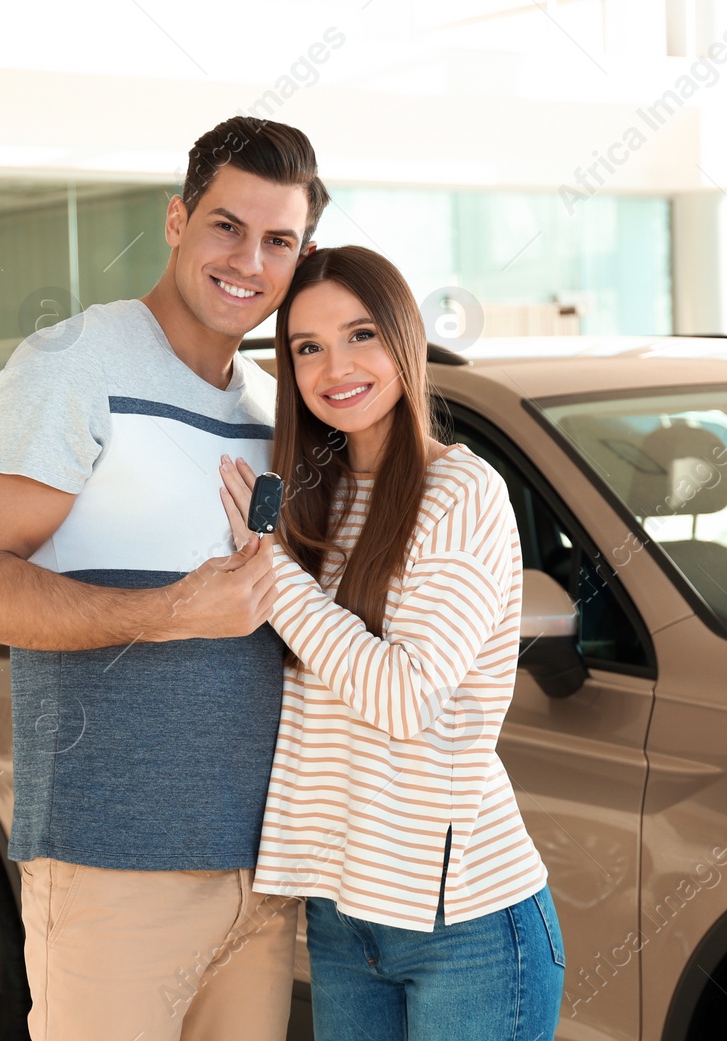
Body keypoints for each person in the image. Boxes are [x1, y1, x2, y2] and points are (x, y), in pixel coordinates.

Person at [0, 117, 328, 1041]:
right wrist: (168, 610)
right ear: (176, 219)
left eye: (279, 241)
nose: (249, 261)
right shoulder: (77, 367)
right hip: (112, 871)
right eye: (226, 226)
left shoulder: (275, 410)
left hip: (258, 881)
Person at [218, 245, 566, 1040]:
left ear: (403, 337)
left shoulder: (463, 492)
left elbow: (406, 697)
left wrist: (270, 573)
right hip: (345, 912)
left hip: (469, 924)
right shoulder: (313, 499)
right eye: (308, 346)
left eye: (361, 334)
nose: (335, 366)